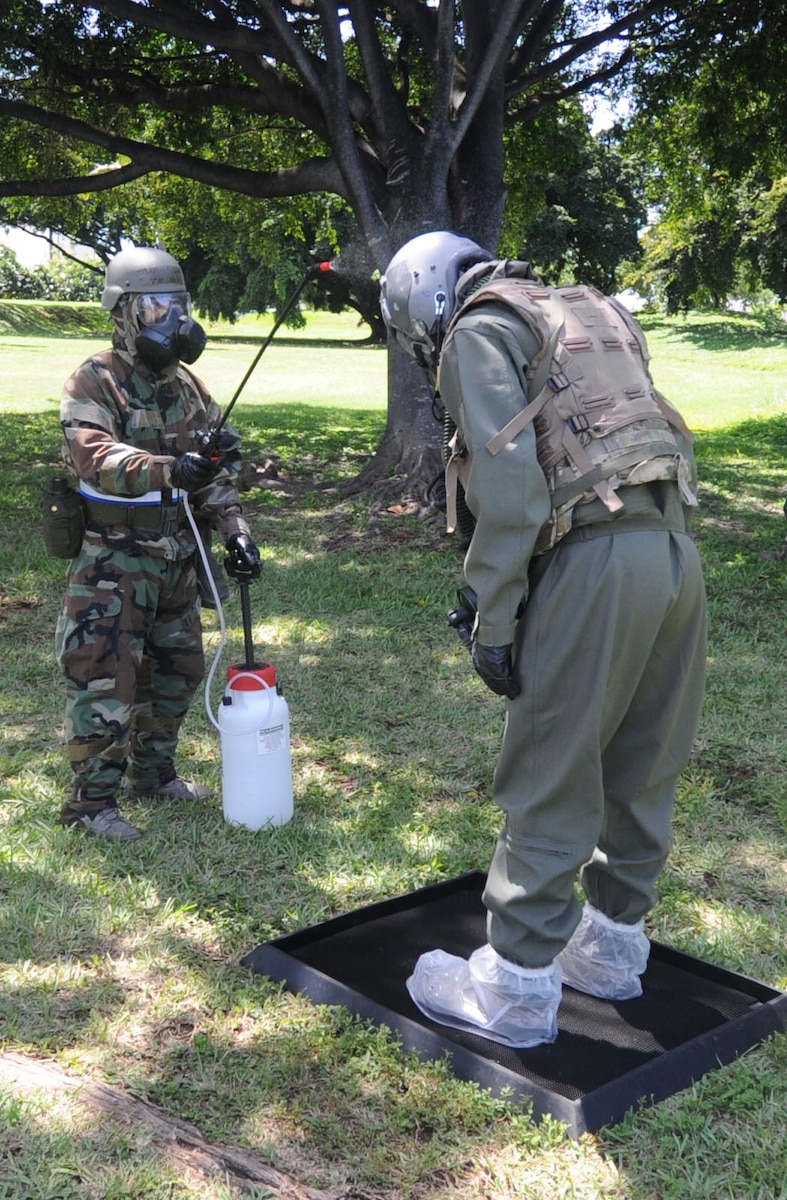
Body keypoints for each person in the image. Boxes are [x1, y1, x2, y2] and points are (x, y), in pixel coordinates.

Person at [379, 231, 707, 1048]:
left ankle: (516, 987)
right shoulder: (590, 306)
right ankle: (612, 945)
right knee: (641, 758)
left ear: (421, 302)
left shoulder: (480, 332)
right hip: (672, 554)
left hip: (593, 565)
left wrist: (493, 622)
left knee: (549, 767)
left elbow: (513, 495)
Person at [55, 246, 261, 842]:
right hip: (114, 562)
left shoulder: (186, 385)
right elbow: (98, 458)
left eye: (177, 305)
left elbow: (216, 468)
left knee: (177, 671)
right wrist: (174, 469)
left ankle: (153, 773)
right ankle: (91, 805)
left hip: (176, 558)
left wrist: (235, 531)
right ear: (123, 315)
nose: (172, 320)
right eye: (154, 306)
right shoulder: (95, 379)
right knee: (106, 678)